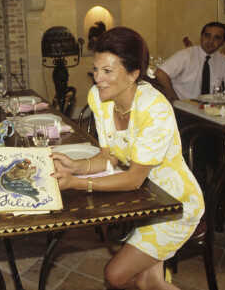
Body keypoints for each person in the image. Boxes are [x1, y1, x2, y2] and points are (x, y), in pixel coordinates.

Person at [52, 27, 204, 289]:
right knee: (148, 280)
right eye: (96, 69)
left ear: (133, 74)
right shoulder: (99, 99)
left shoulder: (154, 108)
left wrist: (78, 183)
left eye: (108, 71)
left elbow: (134, 178)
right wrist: (77, 166)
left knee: (115, 274)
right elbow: (108, 157)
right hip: (143, 202)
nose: (98, 78)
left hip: (174, 203)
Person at [155, 21, 225, 102]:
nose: (210, 41)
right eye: (207, 35)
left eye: (217, 38)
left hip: (211, 109)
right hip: (185, 108)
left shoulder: (223, 60)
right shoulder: (186, 55)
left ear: (223, 42)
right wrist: (176, 102)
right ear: (201, 37)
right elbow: (160, 74)